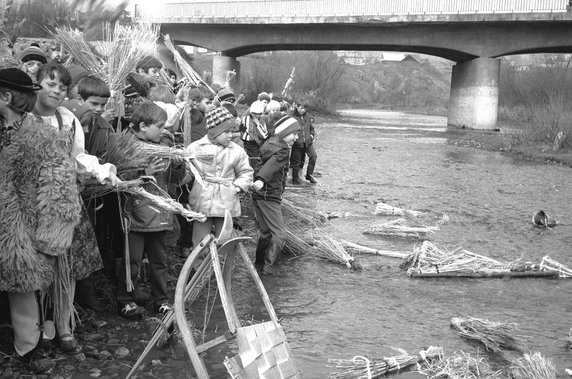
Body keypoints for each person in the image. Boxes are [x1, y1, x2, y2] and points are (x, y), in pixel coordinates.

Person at [33, 62, 119, 352]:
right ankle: (40, 331)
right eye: (50, 83)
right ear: (37, 84)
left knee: (68, 267)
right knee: (39, 268)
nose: (56, 90)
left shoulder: (67, 118)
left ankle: (64, 326)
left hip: (66, 200)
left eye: (61, 85)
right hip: (34, 204)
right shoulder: (24, 117)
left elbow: (79, 157)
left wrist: (103, 170)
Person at [0, 67, 77, 373]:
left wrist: (50, 238)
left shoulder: (42, 139)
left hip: (21, 231)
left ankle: (27, 347)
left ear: (5, 97)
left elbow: (60, 190)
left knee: (22, 288)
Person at [115, 101, 187, 318]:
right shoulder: (126, 147)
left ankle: (161, 299)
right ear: (144, 126)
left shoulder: (162, 147)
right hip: (134, 215)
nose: (163, 130)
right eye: (160, 126)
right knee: (132, 261)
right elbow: (118, 180)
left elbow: (175, 181)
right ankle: (125, 299)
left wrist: (176, 164)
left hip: (160, 213)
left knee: (160, 261)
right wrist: (143, 172)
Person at [64, 75, 121, 311]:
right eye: (94, 104)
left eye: (102, 105)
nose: (98, 110)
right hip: (71, 192)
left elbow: (99, 157)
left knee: (89, 243)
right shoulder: (67, 119)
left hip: (93, 194)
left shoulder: (103, 127)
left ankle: (87, 296)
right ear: (80, 98)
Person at [183, 107, 253, 252]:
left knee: (225, 240)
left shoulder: (236, 151)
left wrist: (237, 188)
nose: (230, 135)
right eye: (226, 131)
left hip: (226, 199)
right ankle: (200, 271)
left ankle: (222, 271)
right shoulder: (195, 148)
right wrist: (181, 175)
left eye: (232, 131)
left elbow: (246, 172)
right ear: (213, 132)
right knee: (200, 242)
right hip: (202, 199)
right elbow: (188, 172)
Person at [251, 116, 300, 275]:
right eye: (294, 133)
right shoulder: (283, 149)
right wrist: (262, 179)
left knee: (265, 232)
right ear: (285, 132)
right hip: (269, 195)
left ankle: (258, 265)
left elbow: (262, 164)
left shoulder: (269, 143)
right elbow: (272, 166)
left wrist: (258, 180)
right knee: (279, 234)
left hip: (258, 194)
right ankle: (268, 268)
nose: (296, 137)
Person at [289, 101, 317, 184]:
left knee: (313, 157)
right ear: (297, 107)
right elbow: (289, 130)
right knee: (296, 162)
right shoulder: (292, 117)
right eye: (301, 108)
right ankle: (295, 179)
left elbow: (311, 128)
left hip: (308, 142)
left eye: (305, 108)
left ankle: (309, 175)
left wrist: (311, 135)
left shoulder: (308, 117)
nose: (303, 110)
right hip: (297, 143)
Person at [240, 100, 268, 166]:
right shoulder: (245, 119)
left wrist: (258, 124)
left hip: (256, 145)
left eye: (259, 114)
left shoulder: (262, 120)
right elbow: (240, 130)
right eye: (254, 113)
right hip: (245, 143)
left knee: (254, 163)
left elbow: (264, 135)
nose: (257, 116)